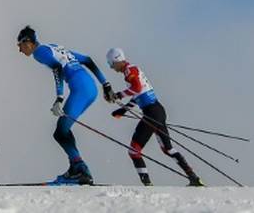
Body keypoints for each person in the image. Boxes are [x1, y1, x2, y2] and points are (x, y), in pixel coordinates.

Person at [16, 25, 111, 186]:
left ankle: (81, 170)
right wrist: (106, 85)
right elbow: (88, 60)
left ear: (28, 42)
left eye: (19, 45)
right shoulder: (54, 47)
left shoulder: (39, 53)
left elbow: (57, 68)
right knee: (63, 130)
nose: (19, 50)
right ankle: (76, 168)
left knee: (60, 132)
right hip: (90, 88)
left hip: (80, 89)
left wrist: (59, 97)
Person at [103, 47, 202, 187]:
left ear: (117, 60)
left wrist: (118, 95)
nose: (112, 68)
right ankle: (194, 178)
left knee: (134, 151)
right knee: (168, 149)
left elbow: (136, 89)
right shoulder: (132, 70)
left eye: (111, 64)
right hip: (158, 111)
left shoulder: (129, 71)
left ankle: (147, 186)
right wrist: (123, 110)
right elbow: (138, 95)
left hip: (151, 113)